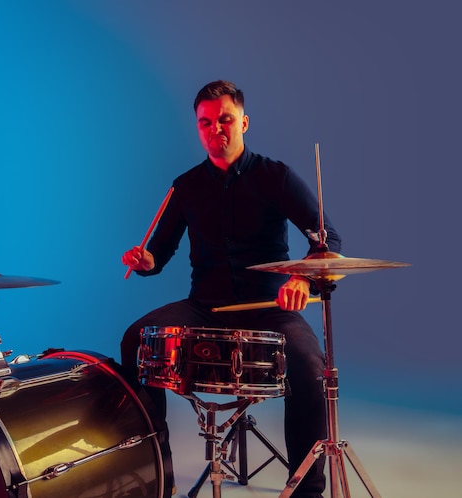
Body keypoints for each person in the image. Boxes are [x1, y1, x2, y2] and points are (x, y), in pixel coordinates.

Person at [121, 80, 341, 498]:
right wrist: (146, 261)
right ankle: (154, 471)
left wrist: (301, 279)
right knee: (137, 340)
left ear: (243, 121)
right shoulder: (186, 186)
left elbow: (328, 240)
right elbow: (159, 255)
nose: (215, 129)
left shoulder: (276, 177)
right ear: (198, 127)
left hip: (270, 308)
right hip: (205, 307)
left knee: (312, 370)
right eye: (205, 122)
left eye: (224, 119)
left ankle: (306, 490)